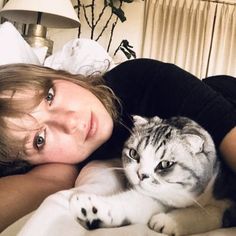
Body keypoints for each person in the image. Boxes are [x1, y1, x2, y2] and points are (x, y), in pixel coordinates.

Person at [0, 58, 236, 232]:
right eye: (39, 139)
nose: (71, 122)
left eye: (49, 95)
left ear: (60, 74)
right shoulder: (59, 164)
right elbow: (43, 183)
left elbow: (225, 125)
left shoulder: (139, 79)